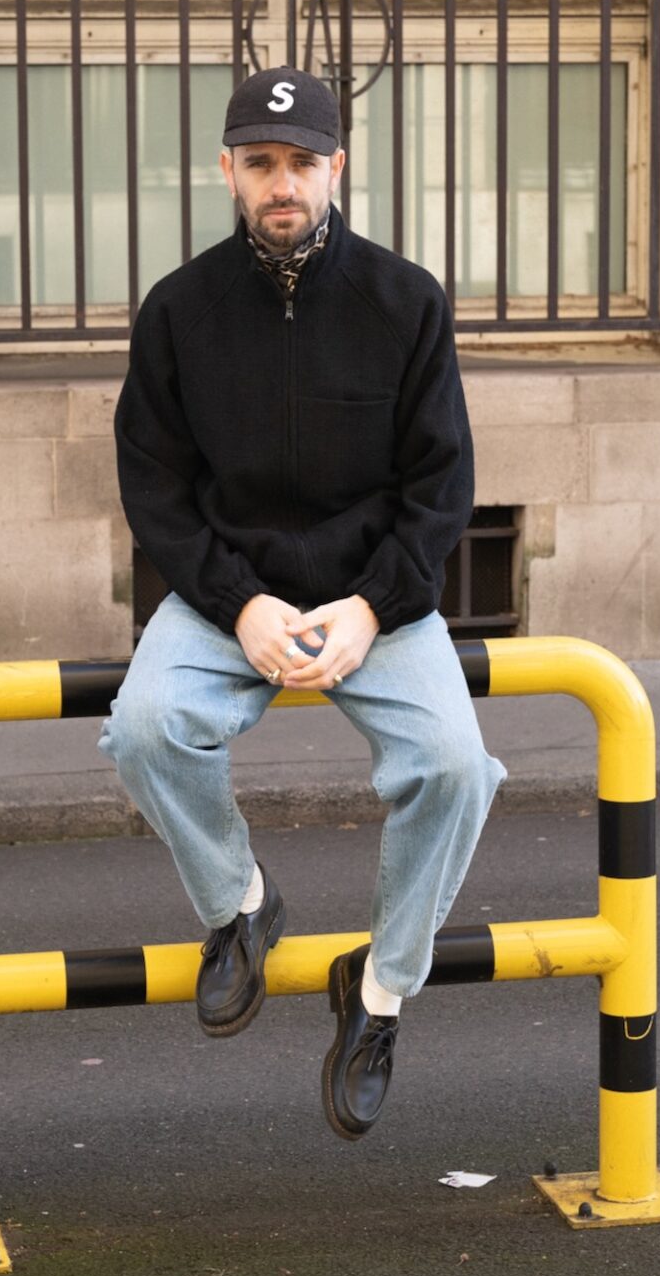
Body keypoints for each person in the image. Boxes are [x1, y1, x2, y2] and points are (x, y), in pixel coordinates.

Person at [98, 65, 506, 1140]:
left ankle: (377, 995)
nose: (285, 183)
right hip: (230, 593)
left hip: (376, 600)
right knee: (143, 730)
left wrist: (374, 607)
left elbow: (441, 485)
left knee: (456, 769)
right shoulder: (179, 310)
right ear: (227, 170)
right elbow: (156, 488)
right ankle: (240, 905)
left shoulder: (404, 300)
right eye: (263, 162)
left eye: (304, 162)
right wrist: (239, 608)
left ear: (338, 166)